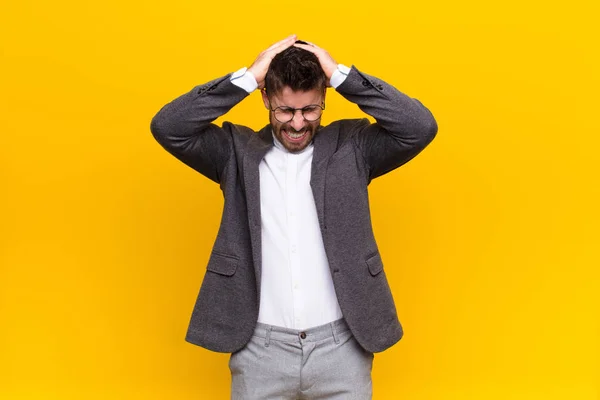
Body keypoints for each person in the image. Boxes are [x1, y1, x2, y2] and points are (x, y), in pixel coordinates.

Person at [150, 34, 438, 400]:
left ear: (323, 101)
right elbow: (168, 126)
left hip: (342, 349)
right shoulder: (234, 152)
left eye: (311, 110)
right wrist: (248, 77)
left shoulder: (353, 147)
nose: (298, 124)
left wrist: (338, 74)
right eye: (285, 111)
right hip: (259, 351)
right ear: (267, 99)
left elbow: (420, 127)